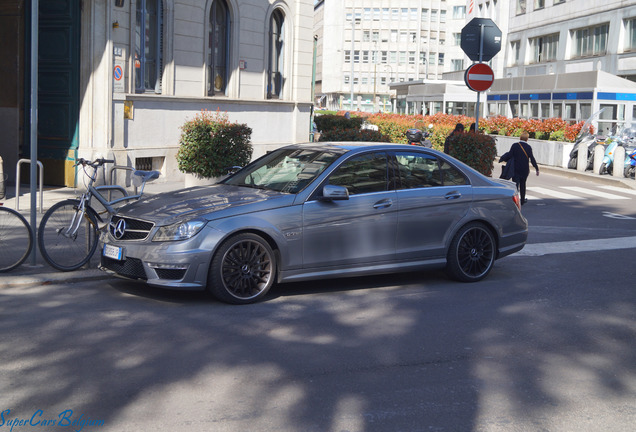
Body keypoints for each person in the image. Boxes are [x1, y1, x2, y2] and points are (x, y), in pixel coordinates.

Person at [500, 131, 539, 205]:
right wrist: (536, 168)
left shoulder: (515, 145)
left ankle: (515, 200)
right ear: (527, 139)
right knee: (523, 184)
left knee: (515, 184)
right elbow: (532, 159)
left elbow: (510, 154)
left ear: (520, 138)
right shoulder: (528, 147)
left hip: (516, 168)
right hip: (524, 169)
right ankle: (523, 200)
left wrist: (503, 159)